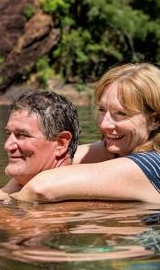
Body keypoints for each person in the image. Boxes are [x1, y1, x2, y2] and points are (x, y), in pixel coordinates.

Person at [12, 63, 160, 204]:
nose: (104, 124)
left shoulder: (152, 162)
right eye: (102, 110)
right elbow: (42, 164)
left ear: (155, 120)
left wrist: (4, 202)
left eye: (121, 114)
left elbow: (41, 188)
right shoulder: (121, 148)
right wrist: (4, 191)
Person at [0, 90, 81, 204]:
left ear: (61, 143)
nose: (7, 146)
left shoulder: (66, 207)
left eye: (22, 135)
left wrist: (0, 211)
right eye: (8, 134)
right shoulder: (16, 193)